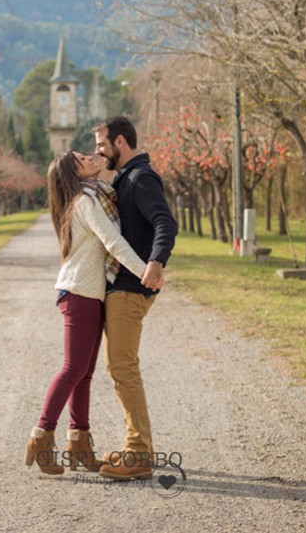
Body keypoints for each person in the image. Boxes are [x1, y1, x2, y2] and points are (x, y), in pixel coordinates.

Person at [25, 150, 154, 475]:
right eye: (82, 157)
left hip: (89, 294)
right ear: (75, 174)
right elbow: (113, 242)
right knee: (73, 369)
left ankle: (79, 442)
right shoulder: (85, 200)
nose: (90, 154)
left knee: (84, 373)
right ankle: (41, 435)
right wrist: (146, 272)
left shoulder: (93, 195)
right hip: (79, 292)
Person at [94, 115, 178, 481]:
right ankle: (137, 445)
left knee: (123, 367)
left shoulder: (141, 178)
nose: (98, 151)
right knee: (119, 367)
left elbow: (165, 222)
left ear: (120, 143)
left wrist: (157, 262)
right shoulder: (126, 178)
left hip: (131, 288)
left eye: (102, 144)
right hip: (122, 287)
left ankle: (139, 454)